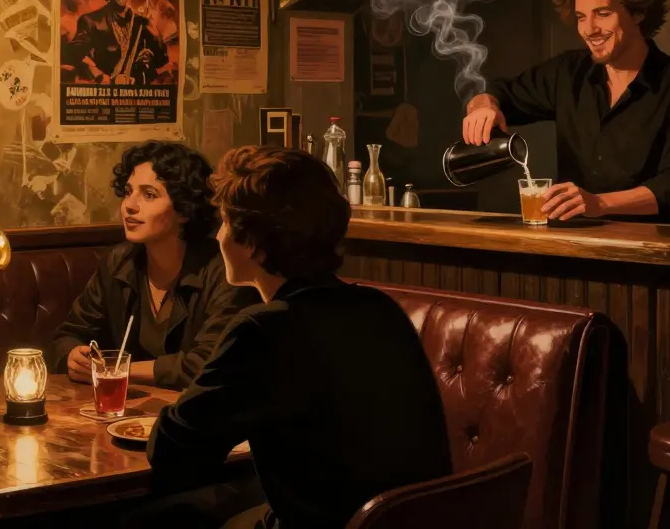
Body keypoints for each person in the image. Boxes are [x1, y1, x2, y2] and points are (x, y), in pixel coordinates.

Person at [147, 145, 452, 528]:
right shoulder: (379, 308)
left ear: (251, 241)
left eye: (224, 222)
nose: (219, 236)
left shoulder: (265, 329)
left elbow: (172, 451)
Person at [462, 0, 670, 223]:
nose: (589, 29)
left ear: (638, 12)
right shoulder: (568, 73)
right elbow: (500, 93)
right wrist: (484, 106)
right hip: (574, 243)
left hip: (648, 245)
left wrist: (600, 203)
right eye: (581, 17)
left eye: (603, 14)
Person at [49, 141, 260, 390]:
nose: (129, 205)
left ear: (184, 209)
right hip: (130, 408)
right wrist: (74, 356)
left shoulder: (224, 270)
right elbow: (69, 335)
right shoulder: (118, 263)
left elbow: (208, 362)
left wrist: (117, 370)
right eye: (128, 192)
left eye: (149, 195)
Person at [61, 0, 169, 84]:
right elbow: (73, 54)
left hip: (135, 91)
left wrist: (150, 54)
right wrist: (100, 76)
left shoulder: (142, 22)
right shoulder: (91, 21)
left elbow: (162, 59)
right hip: (104, 91)